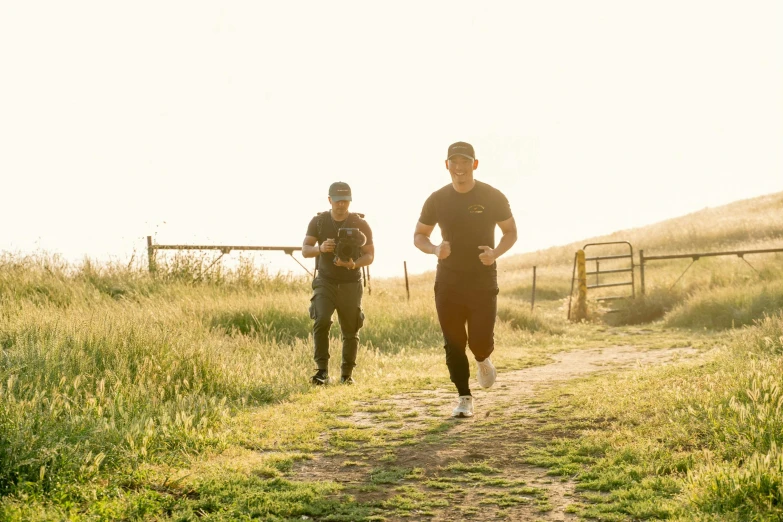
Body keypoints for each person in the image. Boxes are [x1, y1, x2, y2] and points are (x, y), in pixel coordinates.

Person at [413, 142, 518, 418]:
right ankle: (464, 397)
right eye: (454, 162)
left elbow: (510, 232)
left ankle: (483, 358)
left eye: (465, 162)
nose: (459, 169)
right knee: (453, 341)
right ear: (447, 165)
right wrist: (435, 249)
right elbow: (419, 236)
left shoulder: (492, 196)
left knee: (479, 341)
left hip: (482, 280)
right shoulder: (437, 199)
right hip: (448, 281)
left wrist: (495, 253)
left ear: (475, 164)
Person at [302, 181, 374, 385]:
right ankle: (322, 371)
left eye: (345, 201)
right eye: (337, 201)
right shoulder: (319, 222)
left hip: (351, 281)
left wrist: (353, 264)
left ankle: (347, 375)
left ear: (350, 201)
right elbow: (306, 249)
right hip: (325, 281)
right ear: (329, 200)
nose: (341, 205)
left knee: (351, 329)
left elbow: (369, 256)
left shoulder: (360, 224)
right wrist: (321, 248)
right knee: (321, 320)